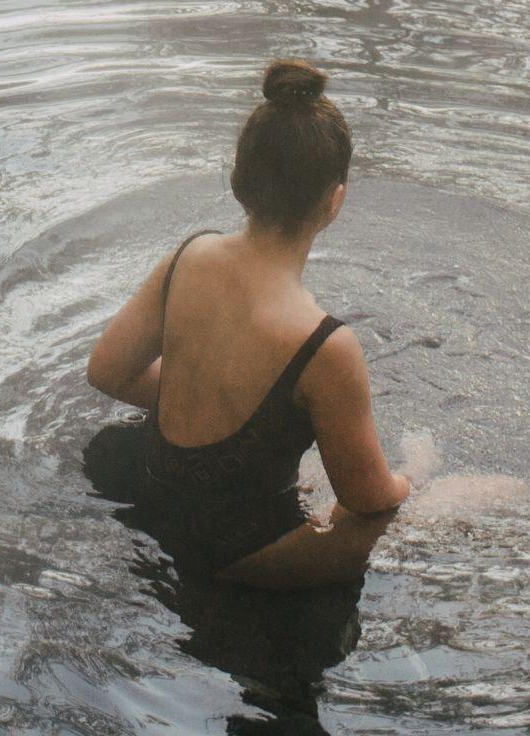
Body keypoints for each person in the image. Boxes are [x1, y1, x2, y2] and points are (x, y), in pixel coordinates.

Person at [84, 59, 411, 590]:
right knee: (481, 496)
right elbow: (366, 500)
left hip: (148, 497)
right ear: (335, 201)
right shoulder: (327, 345)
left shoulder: (188, 257)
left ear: (239, 181)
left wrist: (202, 401)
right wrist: (411, 478)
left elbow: (108, 373)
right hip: (237, 555)